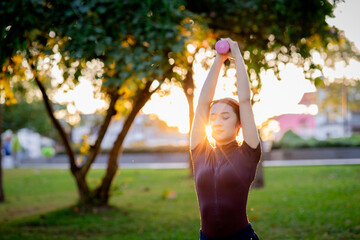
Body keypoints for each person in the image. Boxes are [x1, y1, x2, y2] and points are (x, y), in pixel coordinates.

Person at [190, 38, 262, 240]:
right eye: (213, 117)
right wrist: (219, 59)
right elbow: (202, 103)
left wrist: (237, 57)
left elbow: (245, 101)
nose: (217, 122)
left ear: (239, 124)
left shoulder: (248, 153)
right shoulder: (200, 152)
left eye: (225, 116)